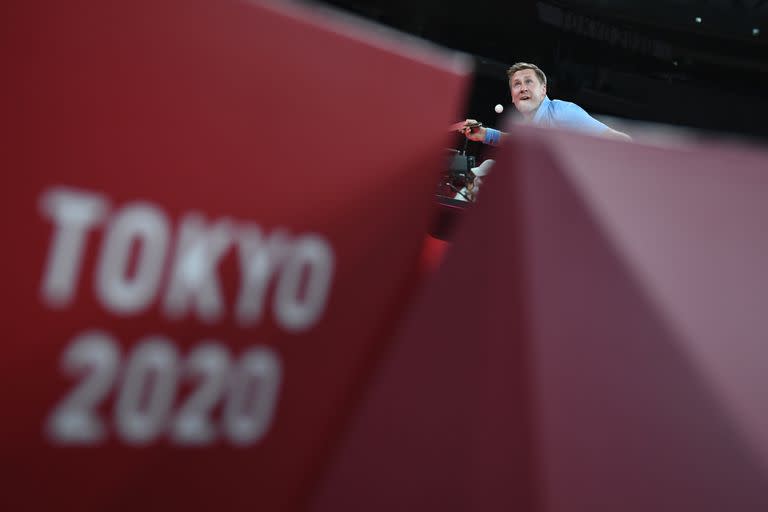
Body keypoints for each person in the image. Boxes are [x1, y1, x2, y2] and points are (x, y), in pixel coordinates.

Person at [456, 62, 631, 144]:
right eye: (517, 84)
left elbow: (623, 141)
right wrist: (484, 134)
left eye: (529, 82)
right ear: (512, 97)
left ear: (543, 90)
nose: (522, 88)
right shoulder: (529, 124)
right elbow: (521, 143)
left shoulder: (563, 113)